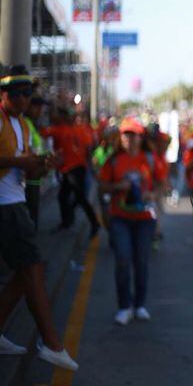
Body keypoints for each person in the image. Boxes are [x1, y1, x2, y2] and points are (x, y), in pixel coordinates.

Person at [0, 66, 78, 370]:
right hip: (6, 205)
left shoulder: (21, 125)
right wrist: (23, 161)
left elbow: (29, 171)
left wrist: (46, 164)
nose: (23, 100)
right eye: (16, 94)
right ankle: (52, 342)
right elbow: (18, 163)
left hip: (16, 202)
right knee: (31, 268)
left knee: (29, 270)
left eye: (27, 94)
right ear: (3, 94)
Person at [98, 118, 164, 325]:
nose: (129, 138)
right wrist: (118, 187)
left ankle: (140, 305)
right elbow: (102, 187)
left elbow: (163, 183)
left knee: (141, 262)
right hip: (120, 219)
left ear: (140, 137)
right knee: (123, 259)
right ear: (121, 137)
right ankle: (124, 307)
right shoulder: (114, 160)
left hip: (145, 220)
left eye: (133, 134)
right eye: (125, 134)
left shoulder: (150, 158)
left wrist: (153, 195)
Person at [41, 107, 99, 237]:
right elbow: (90, 147)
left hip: (74, 169)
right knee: (64, 196)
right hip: (74, 168)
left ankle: (94, 223)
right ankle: (67, 221)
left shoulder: (61, 129)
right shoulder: (79, 129)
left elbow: (42, 132)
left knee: (79, 197)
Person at [23, 96, 48, 230]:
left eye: (41, 108)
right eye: (36, 107)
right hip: (28, 178)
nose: (39, 111)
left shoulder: (32, 123)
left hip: (35, 176)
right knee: (29, 219)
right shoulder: (25, 123)